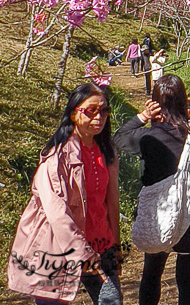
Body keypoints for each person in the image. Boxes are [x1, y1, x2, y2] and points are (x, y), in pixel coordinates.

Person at [7, 82, 121, 305]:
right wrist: (85, 255)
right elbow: (57, 213)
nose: (99, 117)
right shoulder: (56, 158)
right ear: (73, 114)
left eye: (104, 111)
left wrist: (115, 246)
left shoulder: (107, 152)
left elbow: (112, 204)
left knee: (112, 301)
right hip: (57, 249)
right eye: (90, 111)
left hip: (102, 246)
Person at [114, 74, 190, 305]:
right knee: (187, 278)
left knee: (151, 274)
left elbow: (119, 138)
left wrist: (143, 117)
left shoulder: (150, 136)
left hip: (159, 214)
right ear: (184, 100)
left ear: (155, 102)